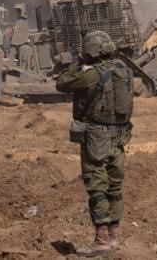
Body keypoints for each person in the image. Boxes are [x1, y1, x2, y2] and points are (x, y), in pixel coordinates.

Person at [55, 30, 134, 256]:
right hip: (119, 136)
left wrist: (77, 63)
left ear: (91, 51)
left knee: (97, 186)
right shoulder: (124, 70)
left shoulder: (91, 74)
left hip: (96, 138)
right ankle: (114, 236)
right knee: (115, 187)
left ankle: (101, 240)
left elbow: (61, 84)